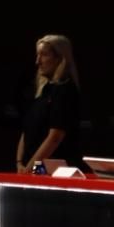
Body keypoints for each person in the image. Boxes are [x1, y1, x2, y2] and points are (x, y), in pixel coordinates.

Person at [18, 34, 82, 171]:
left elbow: (55, 137)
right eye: (37, 55)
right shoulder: (43, 91)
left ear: (60, 58)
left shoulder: (65, 91)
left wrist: (29, 169)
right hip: (30, 167)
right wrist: (19, 162)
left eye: (44, 55)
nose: (38, 61)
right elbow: (27, 130)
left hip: (51, 169)